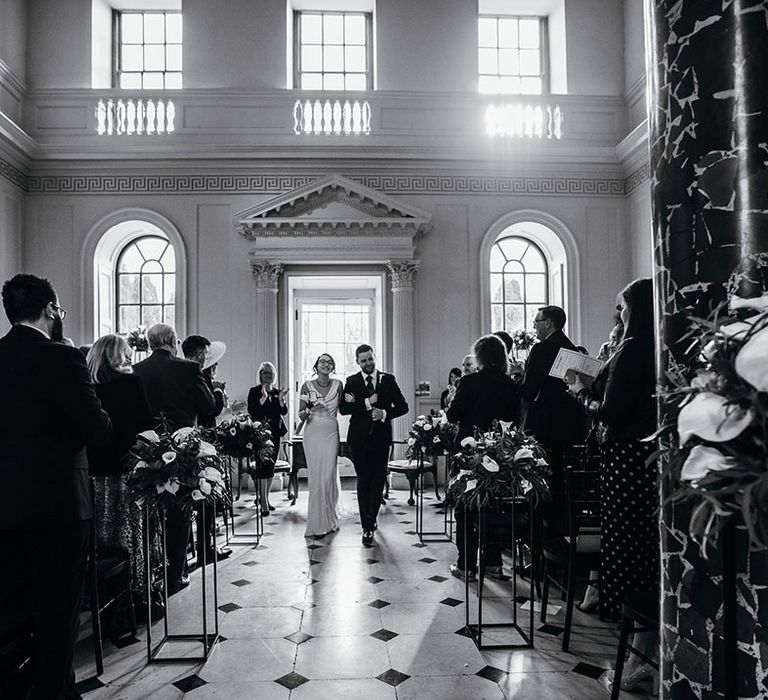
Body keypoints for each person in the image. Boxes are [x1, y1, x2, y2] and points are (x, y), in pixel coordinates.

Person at [0, 273, 112, 700]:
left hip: (5, 506)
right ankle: (55, 692)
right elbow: (97, 427)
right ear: (50, 311)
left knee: (10, 607)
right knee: (57, 611)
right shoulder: (61, 359)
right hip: (58, 507)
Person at [567, 278, 658, 690]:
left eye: (621, 307)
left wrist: (582, 392)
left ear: (635, 308)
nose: (617, 314)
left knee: (630, 550)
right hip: (632, 461)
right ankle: (644, 651)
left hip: (628, 462)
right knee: (630, 547)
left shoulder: (636, 347)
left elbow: (611, 411)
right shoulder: (642, 344)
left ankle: (646, 659)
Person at [133, 324, 216, 594]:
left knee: (150, 511)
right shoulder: (188, 369)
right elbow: (208, 408)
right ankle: (175, 574)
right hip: (182, 449)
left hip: (145, 450)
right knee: (180, 510)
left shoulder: (136, 370)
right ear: (171, 341)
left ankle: (152, 570)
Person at [86, 335, 155, 613]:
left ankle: (103, 596)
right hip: (126, 470)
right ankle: (136, 592)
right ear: (117, 356)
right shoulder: (131, 384)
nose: (129, 358)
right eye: (126, 353)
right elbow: (147, 427)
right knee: (131, 532)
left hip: (94, 473)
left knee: (102, 534)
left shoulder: (88, 387)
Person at [447, 334, 520, 581]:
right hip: (499, 451)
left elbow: (453, 415)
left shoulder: (470, 382)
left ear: (479, 356)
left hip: (468, 450)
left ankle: (466, 566)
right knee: (493, 508)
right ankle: (492, 564)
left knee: (465, 508)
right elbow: (514, 421)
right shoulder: (511, 385)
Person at [509, 305, 588, 529]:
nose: (534, 326)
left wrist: (517, 377)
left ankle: (543, 529)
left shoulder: (543, 349)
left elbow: (530, 391)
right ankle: (564, 526)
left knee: (545, 479)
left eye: (537, 321)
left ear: (549, 323)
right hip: (572, 424)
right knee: (564, 480)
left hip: (547, 426)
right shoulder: (571, 347)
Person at [339, 344, 409, 547]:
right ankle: (366, 527)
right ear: (357, 362)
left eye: (370, 359)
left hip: (381, 439)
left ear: (374, 357)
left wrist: (385, 413)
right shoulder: (352, 382)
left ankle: (372, 517)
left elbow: (404, 406)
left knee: (378, 481)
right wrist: (368, 403)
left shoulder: (388, 380)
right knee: (363, 481)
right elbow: (344, 409)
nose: (368, 363)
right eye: (363, 360)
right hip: (358, 440)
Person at [181, 335, 232, 563]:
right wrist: (219, 392)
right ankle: (206, 548)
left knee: (206, 495)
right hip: (204, 440)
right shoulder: (198, 377)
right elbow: (211, 409)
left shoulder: (188, 374)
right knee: (207, 493)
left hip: (199, 438)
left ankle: (205, 544)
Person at [298, 353, 343, 538]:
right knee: (316, 477)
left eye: (329, 362)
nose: (326, 364)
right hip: (312, 432)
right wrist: (305, 414)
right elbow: (301, 412)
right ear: (316, 365)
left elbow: (345, 408)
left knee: (328, 475)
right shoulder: (306, 385)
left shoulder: (339, 385)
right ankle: (317, 523)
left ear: (333, 367)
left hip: (331, 431)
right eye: (322, 361)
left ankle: (330, 517)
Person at [248, 361, 289, 515]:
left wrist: (281, 400)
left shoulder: (278, 392)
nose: (268, 376)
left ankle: (264, 497)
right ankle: (263, 503)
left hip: (275, 433)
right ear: (260, 375)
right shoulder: (254, 391)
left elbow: (283, 412)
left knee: (270, 468)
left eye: (270, 373)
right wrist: (263, 399)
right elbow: (253, 412)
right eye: (265, 373)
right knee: (262, 467)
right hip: (260, 434)